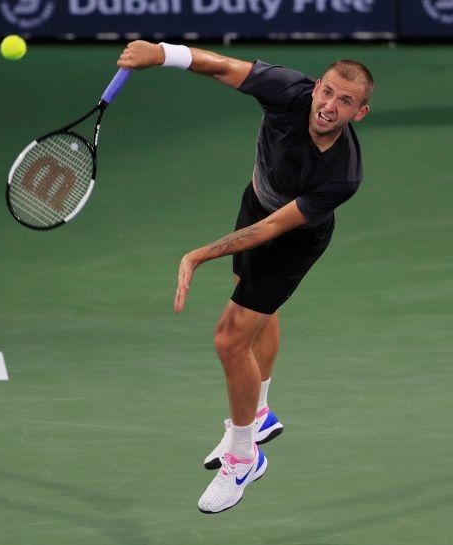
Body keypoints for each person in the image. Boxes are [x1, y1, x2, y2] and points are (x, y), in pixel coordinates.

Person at [117, 41, 373, 514]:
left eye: (345, 102)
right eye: (328, 93)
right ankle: (258, 413)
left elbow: (273, 231)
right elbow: (219, 65)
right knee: (254, 305)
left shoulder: (344, 174)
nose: (330, 106)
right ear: (316, 86)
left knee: (229, 341)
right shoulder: (288, 91)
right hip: (256, 200)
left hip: (294, 239)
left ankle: (243, 456)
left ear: (359, 113)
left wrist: (197, 255)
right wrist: (162, 53)